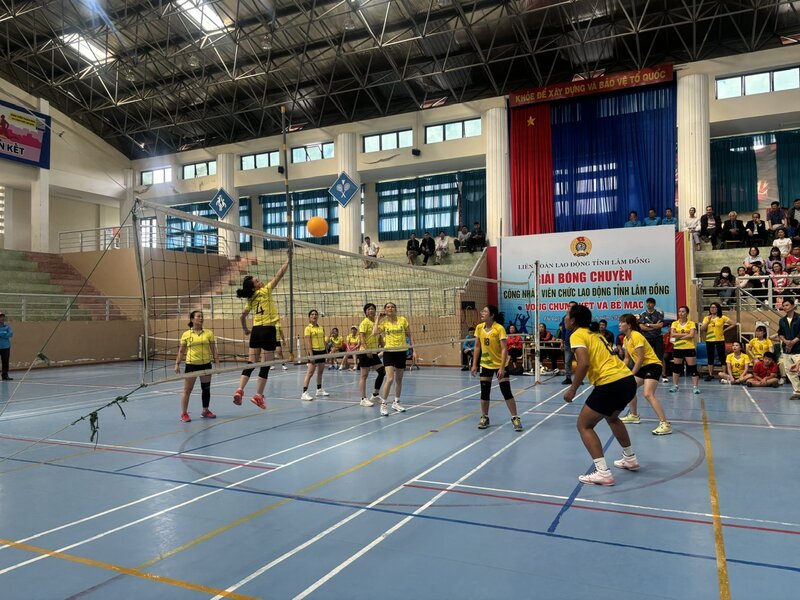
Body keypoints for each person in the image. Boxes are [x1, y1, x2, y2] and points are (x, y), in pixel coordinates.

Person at [563, 304, 640, 486]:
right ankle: (630, 458)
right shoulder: (595, 334)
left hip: (610, 383)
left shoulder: (577, 334)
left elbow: (583, 363)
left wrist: (573, 388)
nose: (565, 318)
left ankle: (603, 472)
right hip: (627, 380)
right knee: (612, 418)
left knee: (584, 425)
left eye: (567, 315)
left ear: (573, 320)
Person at [233, 254, 290, 409]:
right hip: (268, 330)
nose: (260, 281)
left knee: (251, 362)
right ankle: (258, 395)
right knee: (266, 363)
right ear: (255, 287)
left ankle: (240, 389)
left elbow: (242, 316)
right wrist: (287, 260)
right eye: (257, 281)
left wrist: (245, 329)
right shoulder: (265, 291)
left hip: (256, 331)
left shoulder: (250, 299)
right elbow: (279, 275)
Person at [617, 314, 672, 435]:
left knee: (648, 394)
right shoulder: (626, 339)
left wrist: (631, 374)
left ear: (629, 325)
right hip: (642, 367)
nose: (619, 324)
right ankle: (634, 415)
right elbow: (627, 359)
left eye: (622, 322)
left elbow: (641, 358)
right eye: (619, 322)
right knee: (629, 387)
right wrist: (620, 371)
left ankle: (665, 424)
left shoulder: (636, 336)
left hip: (652, 365)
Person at [471, 305, 522, 432]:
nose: (482, 313)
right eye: (482, 311)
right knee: (484, 391)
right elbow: (477, 347)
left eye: (485, 311)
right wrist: (474, 364)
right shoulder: (479, 328)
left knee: (506, 391)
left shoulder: (499, 329)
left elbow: (505, 349)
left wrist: (501, 368)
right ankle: (484, 417)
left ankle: (515, 417)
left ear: (492, 315)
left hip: (500, 364)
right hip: (485, 363)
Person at [175, 310, 220, 422]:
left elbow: (213, 349)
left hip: (205, 364)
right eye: (198, 316)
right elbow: (181, 351)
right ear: (192, 319)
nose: (201, 318)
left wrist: (217, 363)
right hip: (191, 365)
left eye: (202, 316)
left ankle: (205, 410)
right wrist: (177, 364)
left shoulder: (208, 333)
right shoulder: (186, 334)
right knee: (187, 390)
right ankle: (184, 414)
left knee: (206, 389)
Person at [373, 302, 415, 415]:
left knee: (399, 379)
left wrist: (414, 350)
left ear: (395, 309)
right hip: (389, 352)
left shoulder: (402, 320)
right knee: (390, 378)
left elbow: (409, 335)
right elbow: (374, 333)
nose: (390, 308)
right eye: (387, 307)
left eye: (392, 307)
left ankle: (396, 402)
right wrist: (378, 318)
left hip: (401, 352)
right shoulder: (384, 322)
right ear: (385, 310)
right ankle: (384, 404)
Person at [357, 303, 386, 407]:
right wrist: (367, 349)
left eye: (373, 309)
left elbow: (379, 337)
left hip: (374, 352)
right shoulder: (364, 323)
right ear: (365, 312)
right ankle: (363, 399)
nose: (371, 310)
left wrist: (385, 346)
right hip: (364, 352)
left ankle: (375, 394)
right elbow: (362, 337)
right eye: (369, 309)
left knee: (382, 372)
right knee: (364, 375)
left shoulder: (376, 323)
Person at [700, 302, 736, 381]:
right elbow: (702, 329)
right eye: (711, 307)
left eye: (714, 307)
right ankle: (710, 374)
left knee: (722, 357)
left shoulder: (722, 317)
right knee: (710, 357)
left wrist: (724, 330)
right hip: (709, 339)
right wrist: (707, 321)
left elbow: (733, 324)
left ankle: (724, 374)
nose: (712, 309)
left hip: (720, 339)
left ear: (718, 308)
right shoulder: (706, 318)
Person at [669, 305, 701, 394]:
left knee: (692, 368)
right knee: (676, 368)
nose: (681, 313)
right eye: (679, 311)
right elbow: (672, 334)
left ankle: (695, 387)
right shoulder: (674, 323)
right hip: (678, 348)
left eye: (683, 311)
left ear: (687, 313)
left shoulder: (691, 323)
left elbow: (692, 335)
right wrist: (685, 336)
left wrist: (678, 335)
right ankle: (675, 385)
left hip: (689, 348)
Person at [301, 309, 330, 400]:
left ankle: (319, 389)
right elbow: (308, 342)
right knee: (310, 373)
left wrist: (326, 352)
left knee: (320, 372)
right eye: (312, 314)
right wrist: (311, 354)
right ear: (309, 317)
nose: (314, 316)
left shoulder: (321, 328)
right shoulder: (308, 328)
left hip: (322, 351)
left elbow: (324, 342)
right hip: (314, 351)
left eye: (316, 314)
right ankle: (304, 393)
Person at [778, 297, 800, 400]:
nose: (785, 307)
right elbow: (780, 333)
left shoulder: (799, 318)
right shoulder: (782, 320)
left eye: (787, 305)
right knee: (790, 371)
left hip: (798, 349)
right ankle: (797, 391)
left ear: (792, 306)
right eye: (783, 306)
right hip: (787, 349)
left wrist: (793, 342)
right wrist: (786, 342)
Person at [638, 298, 665, 368]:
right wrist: (655, 326)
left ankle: (664, 376)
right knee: (646, 356)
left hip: (658, 337)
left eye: (650, 303)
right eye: (647, 303)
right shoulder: (643, 314)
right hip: (647, 338)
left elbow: (660, 325)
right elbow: (641, 327)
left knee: (660, 357)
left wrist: (648, 325)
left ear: (654, 304)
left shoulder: (659, 314)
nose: (648, 304)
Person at [558, 301, 578, 384]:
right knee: (567, 362)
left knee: (580, 362)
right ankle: (568, 378)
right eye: (569, 306)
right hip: (567, 343)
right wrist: (562, 342)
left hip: (578, 343)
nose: (571, 308)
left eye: (573, 306)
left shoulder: (579, 318)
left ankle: (578, 379)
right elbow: (563, 331)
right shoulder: (565, 318)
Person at [0, 311, 12, 381]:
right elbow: (6, 334)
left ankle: (5, 375)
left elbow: (10, 334)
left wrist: (1, 334)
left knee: (5, 362)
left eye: (2, 317)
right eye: (0, 317)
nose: (1, 318)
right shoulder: (6, 329)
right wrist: (4, 333)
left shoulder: (7, 327)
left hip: (6, 347)